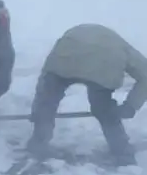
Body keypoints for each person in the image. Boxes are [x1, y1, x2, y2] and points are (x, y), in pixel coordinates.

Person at [26, 23, 147, 166]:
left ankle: (39, 142)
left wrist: (39, 110)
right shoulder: (125, 49)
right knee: (103, 108)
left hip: (66, 52)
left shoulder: (78, 34)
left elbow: (46, 78)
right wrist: (130, 106)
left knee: (48, 99)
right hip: (104, 60)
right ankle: (121, 151)